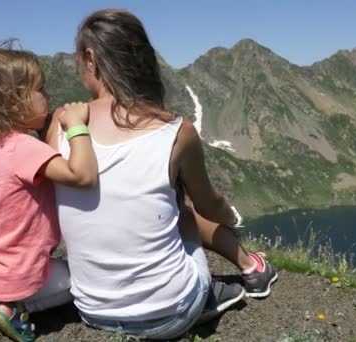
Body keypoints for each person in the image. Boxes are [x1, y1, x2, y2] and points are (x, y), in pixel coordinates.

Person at [45, 9, 278, 340]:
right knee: (181, 208)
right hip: (171, 315)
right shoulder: (175, 129)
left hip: (93, 311)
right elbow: (209, 206)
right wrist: (230, 217)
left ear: (91, 58)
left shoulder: (61, 123)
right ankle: (223, 287)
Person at [0, 45, 97, 342]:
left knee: (51, 272)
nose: (47, 96)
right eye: (39, 90)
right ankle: (10, 307)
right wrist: (76, 127)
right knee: (81, 279)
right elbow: (82, 175)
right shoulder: (24, 148)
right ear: (12, 102)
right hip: (20, 273)